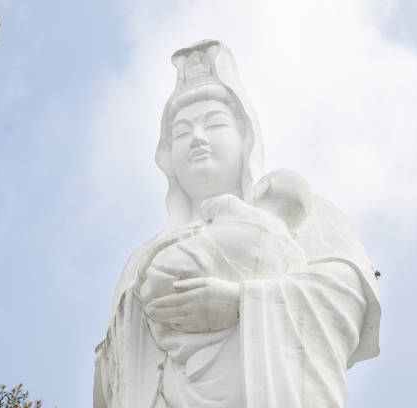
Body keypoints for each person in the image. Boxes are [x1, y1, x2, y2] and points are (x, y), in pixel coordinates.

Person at [94, 39, 381, 408]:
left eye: (213, 124)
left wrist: (241, 302)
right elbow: (111, 379)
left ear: (245, 138)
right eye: (182, 131)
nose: (197, 138)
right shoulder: (140, 259)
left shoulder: (305, 213)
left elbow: (343, 299)